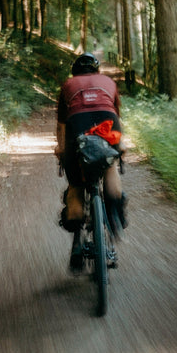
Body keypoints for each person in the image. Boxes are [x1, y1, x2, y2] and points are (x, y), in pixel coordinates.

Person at [54, 52, 127, 273]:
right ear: (97, 71)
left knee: (76, 184)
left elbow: (62, 126)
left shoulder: (68, 84)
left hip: (76, 124)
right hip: (107, 122)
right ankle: (114, 216)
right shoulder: (108, 82)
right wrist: (120, 148)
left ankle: (77, 243)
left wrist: (62, 150)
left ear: (75, 71)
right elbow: (116, 116)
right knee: (110, 164)